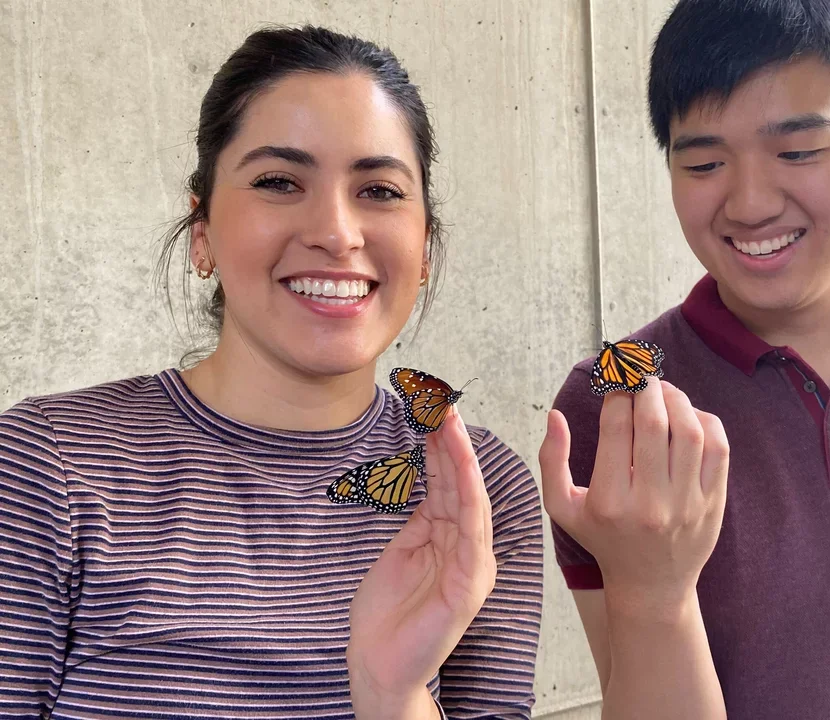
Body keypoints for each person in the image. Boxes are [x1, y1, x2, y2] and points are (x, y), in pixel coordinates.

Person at [0, 25, 543, 720]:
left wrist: (394, 693)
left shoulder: (475, 487)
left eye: (378, 190)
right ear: (202, 233)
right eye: (279, 181)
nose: (337, 232)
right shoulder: (49, 463)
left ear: (426, 245)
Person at [539, 0, 830, 718]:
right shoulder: (617, 408)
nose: (751, 202)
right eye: (703, 162)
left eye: (797, 152)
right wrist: (654, 591)